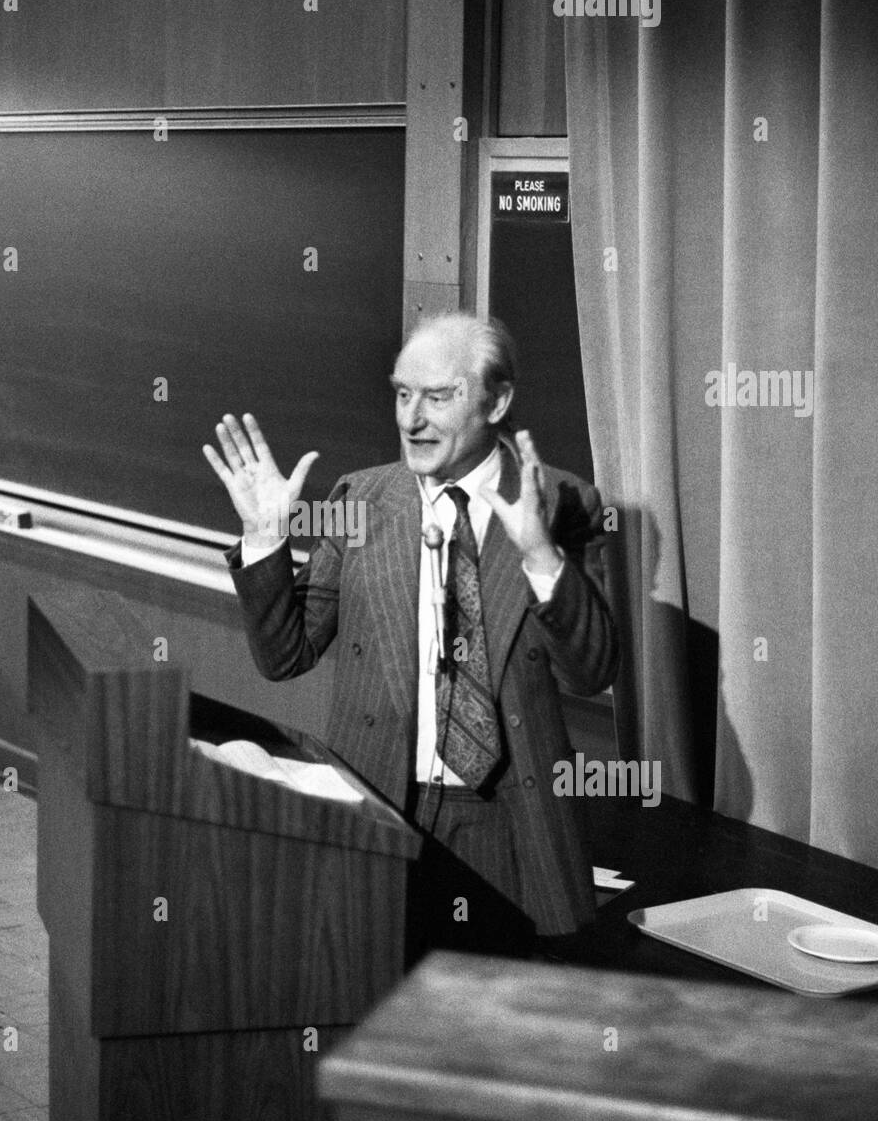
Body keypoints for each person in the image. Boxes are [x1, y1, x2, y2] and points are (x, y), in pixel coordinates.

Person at [203, 312, 618, 962]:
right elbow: (286, 654)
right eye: (403, 393)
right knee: (374, 993)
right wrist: (264, 539)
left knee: (492, 1024)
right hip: (379, 804)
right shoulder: (362, 499)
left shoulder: (561, 501)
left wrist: (538, 551)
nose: (413, 418)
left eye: (439, 395)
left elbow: (589, 672)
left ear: (497, 399)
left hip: (507, 823)